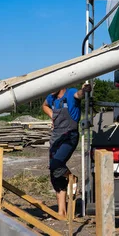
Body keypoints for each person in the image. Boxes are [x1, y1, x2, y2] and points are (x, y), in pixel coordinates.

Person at [42, 83, 90, 217]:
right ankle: (61, 212)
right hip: (56, 136)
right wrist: (52, 115)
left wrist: (84, 90)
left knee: (56, 164)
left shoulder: (70, 93)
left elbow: (78, 95)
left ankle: (72, 178)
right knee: (54, 174)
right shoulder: (51, 97)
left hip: (69, 136)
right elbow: (44, 105)